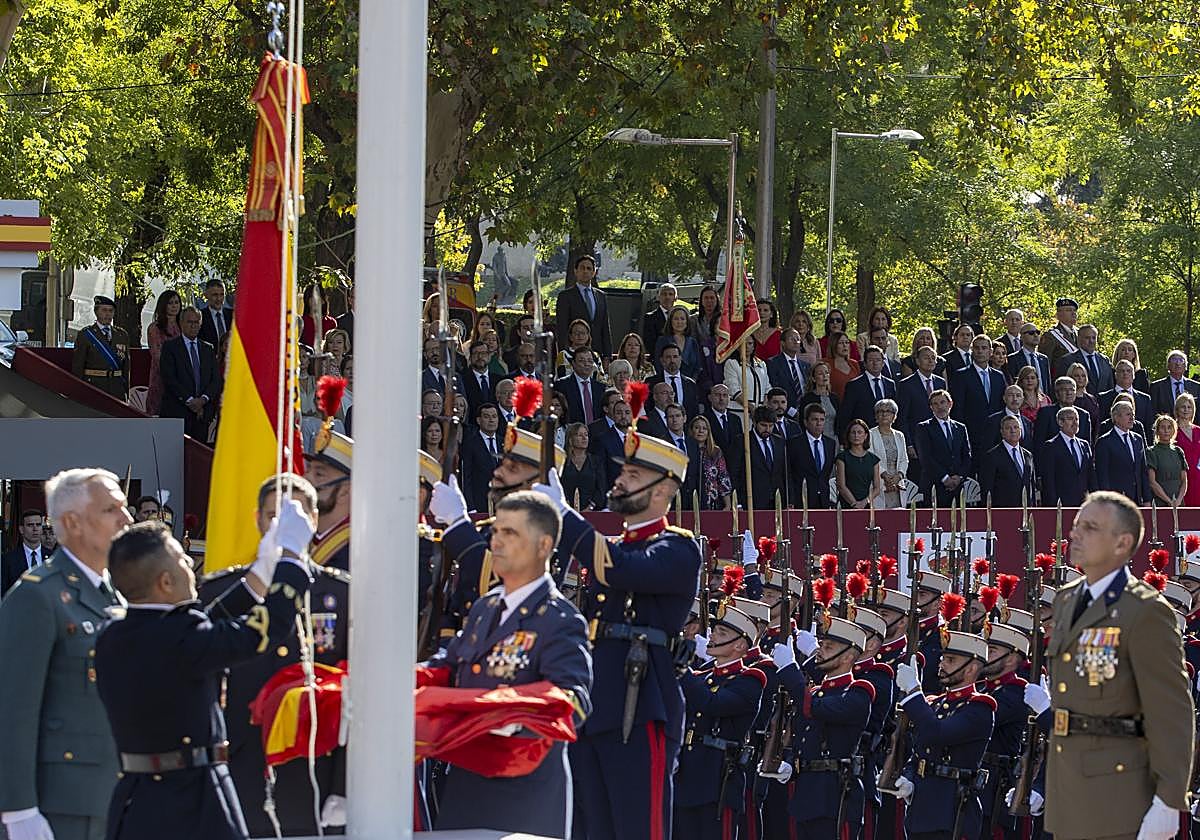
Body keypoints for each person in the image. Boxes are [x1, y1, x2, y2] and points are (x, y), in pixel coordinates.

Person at [96, 505, 315, 840]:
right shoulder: (180, 640)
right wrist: (291, 561)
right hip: (192, 800)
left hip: (138, 800)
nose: (189, 564)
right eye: (182, 559)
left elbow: (206, 625)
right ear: (165, 582)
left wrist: (261, 571)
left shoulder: (117, 633)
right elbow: (262, 631)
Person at [546, 428, 701, 840]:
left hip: (641, 703)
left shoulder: (678, 549)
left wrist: (565, 515)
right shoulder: (615, 545)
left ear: (662, 489)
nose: (620, 480)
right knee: (590, 828)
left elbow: (621, 567)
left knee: (636, 827)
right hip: (597, 703)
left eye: (632, 474)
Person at [422, 491, 592, 839]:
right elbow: (450, 665)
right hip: (466, 787)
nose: (496, 542)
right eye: (496, 531)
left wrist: (510, 718)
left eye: (510, 533)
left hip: (522, 794)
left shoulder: (560, 619)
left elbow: (574, 701)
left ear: (544, 546)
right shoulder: (485, 608)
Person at [196, 474, 350, 838]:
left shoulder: (342, 593)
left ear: (313, 521)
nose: (281, 527)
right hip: (240, 764)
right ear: (257, 520)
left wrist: (346, 783)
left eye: (294, 517)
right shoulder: (222, 591)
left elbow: (357, 691)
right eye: (272, 516)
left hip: (315, 769)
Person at [1039, 492, 1194, 840]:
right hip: (1068, 784)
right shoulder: (1066, 599)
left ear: (1122, 543)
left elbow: (1172, 711)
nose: (1075, 534)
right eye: (1077, 525)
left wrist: (1169, 800)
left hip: (1119, 787)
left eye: (1090, 527)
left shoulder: (1145, 611)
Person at [0, 469, 134, 840]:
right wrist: (18, 810)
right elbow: (12, 710)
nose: (127, 520)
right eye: (111, 510)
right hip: (62, 805)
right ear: (73, 522)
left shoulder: (113, 594)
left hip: (112, 793)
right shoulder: (37, 596)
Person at [429, 426, 573, 642]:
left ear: (537, 484)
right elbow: (460, 599)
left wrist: (457, 522)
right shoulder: (487, 530)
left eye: (512, 469)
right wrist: (446, 641)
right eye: (502, 465)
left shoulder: (550, 535)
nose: (498, 473)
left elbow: (495, 576)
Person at [766, 614, 872, 839]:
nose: (820, 650)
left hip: (834, 797)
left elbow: (815, 709)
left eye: (829, 646)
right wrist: (789, 762)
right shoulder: (815, 692)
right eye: (821, 644)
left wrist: (789, 669)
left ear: (848, 657)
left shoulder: (858, 693)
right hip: (806, 794)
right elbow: (804, 735)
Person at [893, 629, 996, 840]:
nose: (941, 664)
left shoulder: (980, 708)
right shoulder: (937, 703)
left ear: (972, 668)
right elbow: (920, 749)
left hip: (952, 812)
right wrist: (909, 777)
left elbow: (937, 733)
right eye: (942, 658)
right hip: (921, 809)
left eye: (950, 660)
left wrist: (914, 692)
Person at [675, 605, 766, 838]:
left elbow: (711, 703)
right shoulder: (703, 677)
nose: (712, 636)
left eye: (722, 633)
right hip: (686, 776)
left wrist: (682, 669)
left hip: (717, 781)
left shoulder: (750, 680)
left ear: (740, 645)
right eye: (715, 630)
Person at [976, 612, 1033, 840]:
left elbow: (982, 718)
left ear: (1011, 660)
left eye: (992, 651)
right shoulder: (985, 688)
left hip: (996, 787)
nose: (984, 656)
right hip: (978, 784)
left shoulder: (1016, 692)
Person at [160, 307, 222, 442]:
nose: (194, 326)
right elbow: (169, 379)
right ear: (181, 323)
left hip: (202, 414)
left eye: (197, 322)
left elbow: (215, 380)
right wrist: (190, 401)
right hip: (178, 412)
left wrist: (203, 400)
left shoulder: (208, 348)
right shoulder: (170, 348)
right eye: (190, 322)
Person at [950, 333, 1006, 466]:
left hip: (995, 435)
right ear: (972, 350)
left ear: (990, 351)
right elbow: (958, 409)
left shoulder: (998, 376)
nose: (980, 351)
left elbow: (1002, 405)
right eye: (977, 348)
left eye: (984, 348)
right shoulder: (961, 375)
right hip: (972, 435)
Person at [913, 389, 971, 507]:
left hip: (957, 488)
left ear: (950, 404)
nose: (940, 407)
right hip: (934, 486)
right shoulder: (924, 428)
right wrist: (945, 478)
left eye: (942, 402)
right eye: (935, 404)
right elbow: (926, 458)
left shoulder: (960, 428)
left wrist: (959, 477)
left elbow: (967, 455)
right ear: (931, 407)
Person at [71, 294, 130, 399]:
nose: (108, 314)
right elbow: (78, 365)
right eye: (104, 310)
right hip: (94, 386)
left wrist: (126, 389)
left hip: (116, 387)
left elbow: (126, 366)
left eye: (111, 311)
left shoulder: (122, 334)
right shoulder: (86, 334)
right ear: (96, 312)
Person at [1040, 406, 1096, 507]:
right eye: (1070, 419)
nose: (1075, 422)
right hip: (1062, 504)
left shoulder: (1085, 445)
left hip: (1083, 504)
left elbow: (1090, 475)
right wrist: (1053, 505)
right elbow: (1049, 480)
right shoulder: (1051, 446)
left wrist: (1094, 500)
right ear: (1060, 422)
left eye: (1077, 419)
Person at [1094, 401, 1149, 503]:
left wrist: (1147, 499)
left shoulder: (1138, 439)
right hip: (1116, 500)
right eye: (1128, 414)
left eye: (1133, 414)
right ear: (1116, 417)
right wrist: (1107, 501)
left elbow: (1143, 471)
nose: (1132, 418)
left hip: (1137, 499)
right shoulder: (1105, 442)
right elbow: (1102, 475)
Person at [839, 345, 898, 439]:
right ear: (865, 364)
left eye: (878, 360)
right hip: (862, 437)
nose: (875, 363)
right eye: (871, 360)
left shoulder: (890, 384)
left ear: (883, 363)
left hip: (886, 435)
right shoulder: (854, 385)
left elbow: (894, 411)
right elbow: (845, 415)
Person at [979, 415, 1036, 507]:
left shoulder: (1028, 455)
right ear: (1002, 432)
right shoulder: (992, 456)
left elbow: (1031, 485)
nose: (1013, 431)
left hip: (1026, 509)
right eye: (1008, 428)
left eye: (1016, 427)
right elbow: (987, 488)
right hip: (1003, 510)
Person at [788, 402, 837, 508]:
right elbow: (789, 474)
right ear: (806, 422)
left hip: (823, 499)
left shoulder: (830, 443)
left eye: (822, 420)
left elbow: (825, 473)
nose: (819, 423)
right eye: (815, 419)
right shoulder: (794, 443)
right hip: (801, 499)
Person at [145, 289, 183, 416]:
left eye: (176, 302)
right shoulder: (155, 328)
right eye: (170, 303)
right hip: (161, 377)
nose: (174, 306)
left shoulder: (183, 326)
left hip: (183, 379)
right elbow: (157, 356)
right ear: (163, 305)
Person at [461, 403, 504, 512]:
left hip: (503, 504)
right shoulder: (470, 444)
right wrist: (471, 507)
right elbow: (466, 477)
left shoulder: (505, 442)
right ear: (478, 420)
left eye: (494, 416)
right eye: (487, 416)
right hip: (480, 504)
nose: (491, 420)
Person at [703, 384, 744, 497]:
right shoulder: (704, 418)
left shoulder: (735, 419)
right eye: (717, 395)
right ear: (710, 397)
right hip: (714, 468)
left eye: (725, 395)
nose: (721, 399)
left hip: (734, 469)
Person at [869, 398, 908, 509]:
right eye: (880, 411)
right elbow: (871, 459)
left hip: (897, 484)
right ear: (876, 416)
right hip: (879, 482)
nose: (884, 414)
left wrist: (899, 476)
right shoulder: (870, 434)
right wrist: (886, 477)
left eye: (888, 411)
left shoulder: (899, 435)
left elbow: (904, 459)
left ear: (894, 416)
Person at [1099, 359, 1153, 438]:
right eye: (1121, 371)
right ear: (1115, 375)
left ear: (1134, 375)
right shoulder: (1103, 398)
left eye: (1128, 371)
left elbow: (1149, 427)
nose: (1125, 373)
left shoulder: (1145, 399)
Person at [835, 417, 881, 509]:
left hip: (866, 505)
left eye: (860, 432)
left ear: (866, 435)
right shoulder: (842, 458)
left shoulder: (873, 459)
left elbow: (877, 488)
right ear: (848, 435)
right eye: (853, 432)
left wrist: (865, 502)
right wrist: (854, 504)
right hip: (846, 505)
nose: (856, 435)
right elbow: (841, 486)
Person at [748, 405, 787, 510]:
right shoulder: (744, 441)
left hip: (777, 499)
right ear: (755, 423)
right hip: (753, 500)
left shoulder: (779, 442)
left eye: (771, 426)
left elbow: (785, 472)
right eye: (763, 425)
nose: (767, 429)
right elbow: (736, 474)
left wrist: (789, 499)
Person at [689, 415, 732, 511]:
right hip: (690, 501)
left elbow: (723, 477)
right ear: (691, 430)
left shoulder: (715, 452)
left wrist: (728, 505)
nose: (701, 431)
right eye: (697, 428)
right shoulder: (686, 449)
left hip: (712, 502)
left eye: (704, 428)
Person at [648, 344, 700, 421]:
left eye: (675, 357)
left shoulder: (690, 384)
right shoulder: (651, 382)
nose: (672, 360)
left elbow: (694, 411)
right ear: (662, 360)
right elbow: (648, 407)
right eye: (668, 357)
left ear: (680, 359)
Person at [560, 423, 605, 510]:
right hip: (565, 510)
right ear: (570, 439)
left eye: (586, 435)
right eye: (580, 435)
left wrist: (590, 508)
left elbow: (601, 489)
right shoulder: (562, 460)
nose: (584, 438)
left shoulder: (596, 461)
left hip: (592, 512)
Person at [766, 328, 812, 411]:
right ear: (782, 343)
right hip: (784, 410)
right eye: (792, 339)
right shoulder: (773, 363)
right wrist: (791, 411)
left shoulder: (806, 366)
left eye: (798, 339)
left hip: (805, 412)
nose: (796, 341)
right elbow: (775, 388)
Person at [1, 509, 45, 597]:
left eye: (38, 525)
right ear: (21, 529)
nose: (35, 528)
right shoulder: (8, 559)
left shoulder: (53, 556)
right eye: (30, 525)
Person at [1146, 414, 1188, 506]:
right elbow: (1152, 482)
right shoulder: (1151, 452)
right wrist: (1169, 501)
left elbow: (1184, 480)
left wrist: (1179, 500)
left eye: (1169, 427)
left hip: (1178, 502)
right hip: (1160, 503)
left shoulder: (1178, 451)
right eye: (1162, 427)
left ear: (1173, 430)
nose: (1166, 431)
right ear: (1157, 430)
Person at [723, 335, 769, 416]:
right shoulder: (732, 363)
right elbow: (733, 390)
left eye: (750, 343)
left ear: (754, 346)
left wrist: (763, 408)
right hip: (739, 412)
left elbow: (767, 387)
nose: (746, 347)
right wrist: (750, 407)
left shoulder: (761, 364)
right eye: (743, 344)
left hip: (759, 413)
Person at [653, 304, 702, 381]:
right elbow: (658, 363)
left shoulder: (693, 342)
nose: (679, 322)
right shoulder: (662, 340)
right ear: (670, 321)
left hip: (689, 384)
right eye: (676, 319)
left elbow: (698, 366)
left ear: (687, 322)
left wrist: (692, 381)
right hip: (667, 383)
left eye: (682, 319)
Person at [1060, 323, 1112, 393]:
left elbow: (1110, 386)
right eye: (1087, 338)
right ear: (1079, 339)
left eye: (1093, 338)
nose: (1091, 341)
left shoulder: (1104, 360)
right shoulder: (1067, 360)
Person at [1037, 296, 1079, 377]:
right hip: (1061, 383)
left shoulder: (1080, 333)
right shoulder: (1050, 336)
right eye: (1069, 310)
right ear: (1058, 315)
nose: (1073, 313)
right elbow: (1045, 365)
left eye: (1074, 310)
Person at [1151, 349, 1200, 416]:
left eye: (1181, 360)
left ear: (1185, 366)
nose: (1177, 363)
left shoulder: (1196, 387)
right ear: (1168, 365)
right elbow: (1153, 412)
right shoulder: (1157, 387)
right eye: (1174, 360)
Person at [1006, 321, 1051, 394]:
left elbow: (1048, 385)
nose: (1036, 335)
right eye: (1031, 333)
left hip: (1043, 402)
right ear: (1021, 337)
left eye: (1038, 332)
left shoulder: (1044, 359)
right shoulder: (1012, 359)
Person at [798, 360, 840, 436]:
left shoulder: (835, 398)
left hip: (833, 440)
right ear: (813, 379)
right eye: (820, 373)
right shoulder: (807, 399)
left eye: (826, 373)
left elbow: (840, 422)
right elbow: (802, 423)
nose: (825, 376)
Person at [1175, 392, 1200, 507]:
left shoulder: (1198, 430)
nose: (1186, 410)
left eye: (1189, 407)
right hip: (1181, 480)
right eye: (1183, 407)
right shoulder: (1172, 430)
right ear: (1177, 409)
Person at [1066, 361, 1102, 435]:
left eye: (1083, 375)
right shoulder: (1067, 399)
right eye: (1076, 375)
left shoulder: (1092, 399)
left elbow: (1096, 423)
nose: (1080, 378)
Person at [642, 283, 678, 353]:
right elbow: (649, 342)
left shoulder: (681, 317)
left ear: (675, 298)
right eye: (664, 294)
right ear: (658, 297)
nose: (667, 297)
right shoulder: (650, 317)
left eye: (670, 294)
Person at [198, 278, 235, 348]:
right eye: (215, 295)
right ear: (206, 295)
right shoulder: (200, 317)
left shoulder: (233, 315)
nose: (219, 299)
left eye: (222, 294)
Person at [824, 331, 860, 400]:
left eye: (847, 342)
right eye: (841, 343)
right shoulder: (825, 363)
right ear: (833, 344)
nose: (844, 345)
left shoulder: (854, 364)